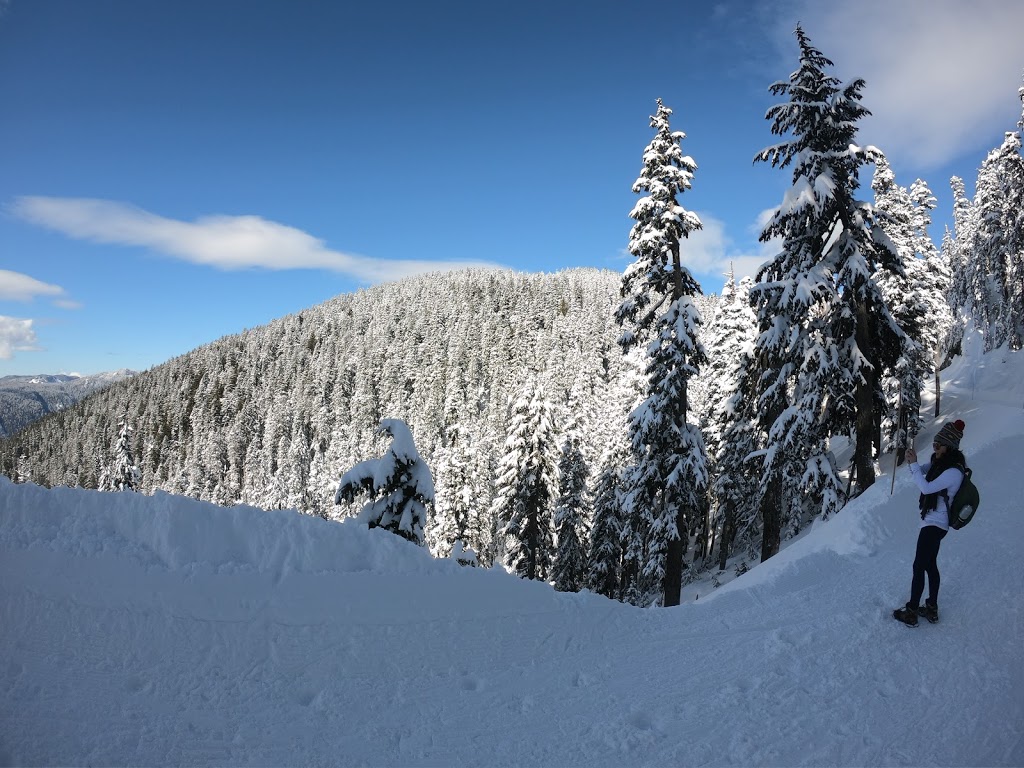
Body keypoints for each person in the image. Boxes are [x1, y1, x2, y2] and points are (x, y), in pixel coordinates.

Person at [893, 419, 966, 627]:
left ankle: (912, 611)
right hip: (932, 521)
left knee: (919, 565)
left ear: (949, 447)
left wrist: (915, 465)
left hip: (936, 524)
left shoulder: (953, 472)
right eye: (934, 444)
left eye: (938, 445)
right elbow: (920, 472)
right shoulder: (939, 463)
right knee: (929, 565)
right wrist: (911, 461)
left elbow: (925, 487)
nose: (934, 449)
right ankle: (932, 609)